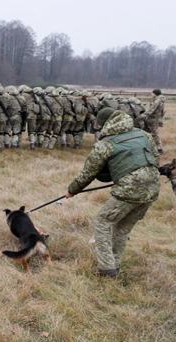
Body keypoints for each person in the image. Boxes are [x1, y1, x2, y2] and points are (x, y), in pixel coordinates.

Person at [65, 108, 160, 277]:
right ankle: (114, 265)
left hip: (128, 191)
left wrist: (72, 190)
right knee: (122, 228)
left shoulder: (105, 144)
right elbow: (155, 159)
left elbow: (88, 173)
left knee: (103, 222)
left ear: (105, 124)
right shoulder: (144, 135)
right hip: (152, 188)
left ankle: (106, 268)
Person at [140, 89, 166, 153]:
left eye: (152, 93)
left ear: (155, 94)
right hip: (152, 119)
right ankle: (146, 146)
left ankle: (159, 149)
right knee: (145, 132)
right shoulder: (160, 100)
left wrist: (142, 116)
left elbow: (151, 109)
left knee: (154, 134)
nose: (151, 94)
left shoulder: (157, 101)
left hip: (154, 120)